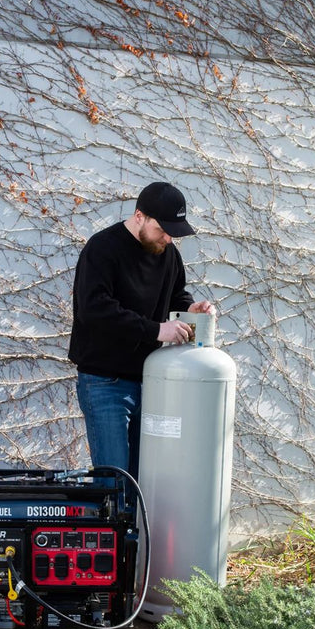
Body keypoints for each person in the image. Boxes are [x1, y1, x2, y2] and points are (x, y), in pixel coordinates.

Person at [69, 181, 215, 479]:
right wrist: (156, 330)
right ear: (139, 216)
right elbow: (95, 310)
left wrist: (191, 309)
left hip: (150, 381)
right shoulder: (103, 248)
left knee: (145, 478)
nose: (168, 239)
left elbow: (176, 295)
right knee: (116, 481)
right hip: (104, 382)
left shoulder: (168, 253)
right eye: (162, 230)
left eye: (173, 232)